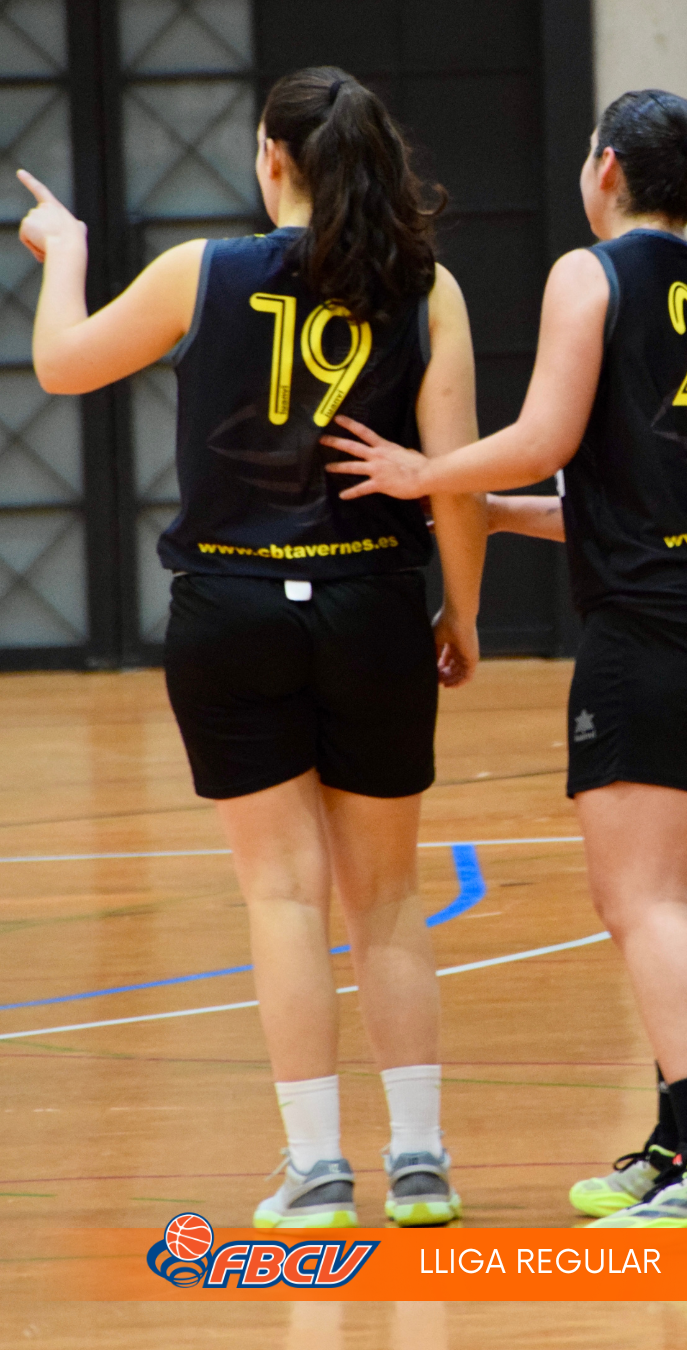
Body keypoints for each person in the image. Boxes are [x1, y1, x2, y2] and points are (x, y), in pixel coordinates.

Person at [17, 66, 486, 1229]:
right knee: (389, 899)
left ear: (272, 158)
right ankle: (419, 1163)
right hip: (372, 607)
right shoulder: (428, 289)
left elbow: (63, 365)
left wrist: (65, 250)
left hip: (230, 612)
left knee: (282, 898)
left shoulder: (201, 271)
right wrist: (463, 613)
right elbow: (455, 484)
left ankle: (317, 1172)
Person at [319, 88, 687, 1229]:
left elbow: (544, 438)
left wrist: (427, 473)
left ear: (607, 167)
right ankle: (684, 1141)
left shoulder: (594, 273)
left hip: (655, 627)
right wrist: (486, 510)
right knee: (674, 899)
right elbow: (620, 499)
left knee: (641, 901)